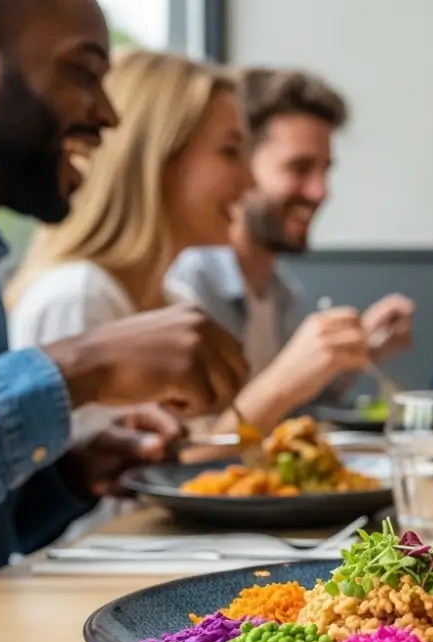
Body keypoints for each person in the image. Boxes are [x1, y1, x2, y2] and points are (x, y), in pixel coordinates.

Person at [0, 0, 249, 576]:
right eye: (81, 72)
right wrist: (79, 365)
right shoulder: (71, 292)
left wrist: (72, 477)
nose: (109, 116)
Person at [3, 48, 255, 444]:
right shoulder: (76, 295)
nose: (250, 182)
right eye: (229, 152)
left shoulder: (176, 297)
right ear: (159, 158)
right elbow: (108, 502)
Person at [165, 67, 413, 434]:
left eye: (325, 170)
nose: (320, 192)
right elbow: (189, 457)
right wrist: (288, 377)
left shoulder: (283, 294)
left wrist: (357, 351)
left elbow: (298, 413)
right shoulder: (186, 290)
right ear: (241, 165)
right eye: (299, 168)